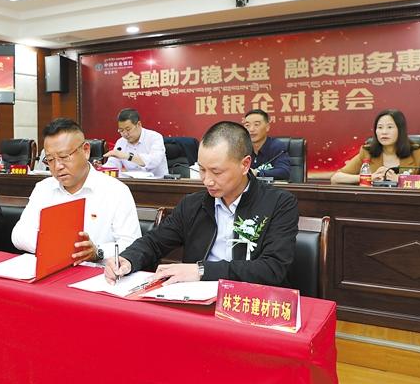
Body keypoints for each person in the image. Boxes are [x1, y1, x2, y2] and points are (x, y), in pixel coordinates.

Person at [105, 121, 298, 287]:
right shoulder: (193, 204)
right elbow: (154, 242)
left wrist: (202, 270)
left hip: (248, 301)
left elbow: (272, 268)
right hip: (197, 297)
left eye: (217, 172)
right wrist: (128, 258)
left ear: (245, 165)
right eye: (202, 170)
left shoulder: (279, 203)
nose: (207, 181)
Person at [12, 118, 141, 264]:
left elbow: (132, 244)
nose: (58, 166)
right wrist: (57, 245)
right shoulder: (44, 188)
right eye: (50, 159)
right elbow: (19, 235)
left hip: (97, 273)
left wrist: (97, 252)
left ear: (85, 150)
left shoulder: (116, 191)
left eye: (64, 157)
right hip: (52, 268)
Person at [331, 109, 420, 188]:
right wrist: (369, 177)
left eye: (389, 127)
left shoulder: (418, 152)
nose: (384, 132)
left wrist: (402, 179)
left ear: (400, 130)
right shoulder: (367, 152)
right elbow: (336, 178)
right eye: (380, 127)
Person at [102, 108, 168, 178]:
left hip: (158, 182)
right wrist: (101, 169)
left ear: (139, 124)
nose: (125, 134)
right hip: (132, 182)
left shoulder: (155, 137)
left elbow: (154, 161)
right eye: (121, 130)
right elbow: (112, 164)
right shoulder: (120, 142)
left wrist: (128, 156)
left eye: (128, 129)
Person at [243, 109, 291, 180]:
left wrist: (257, 173)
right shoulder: (242, 148)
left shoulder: (276, 146)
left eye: (256, 124)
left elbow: (284, 172)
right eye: (247, 125)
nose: (251, 129)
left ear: (267, 127)